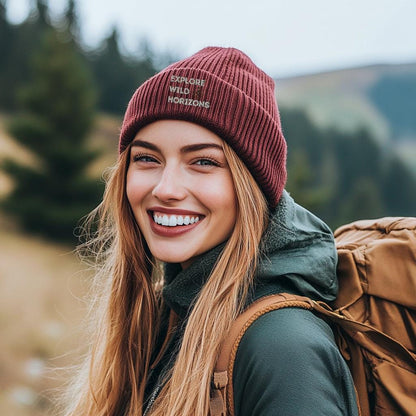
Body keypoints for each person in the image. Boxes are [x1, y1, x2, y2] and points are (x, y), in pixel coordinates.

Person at [65, 47, 359, 415]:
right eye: (146, 158)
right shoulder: (170, 312)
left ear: (250, 188)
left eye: (203, 161)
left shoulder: (282, 346)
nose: (166, 188)